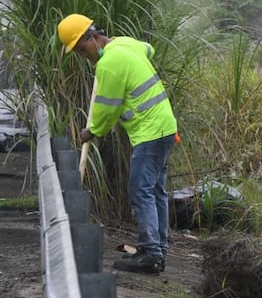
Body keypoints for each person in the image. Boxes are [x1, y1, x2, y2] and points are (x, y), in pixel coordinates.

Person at [58, 14, 179, 275]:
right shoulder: (125, 44)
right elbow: (149, 48)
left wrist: (92, 132)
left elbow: (107, 109)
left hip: (150, 133)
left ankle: (151, 254)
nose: (83, 56)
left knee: (141, 190)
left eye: (82, 49)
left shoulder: (109, 63)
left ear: (92, 38)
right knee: (155, 190)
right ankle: (158, 250)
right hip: (165, 127)